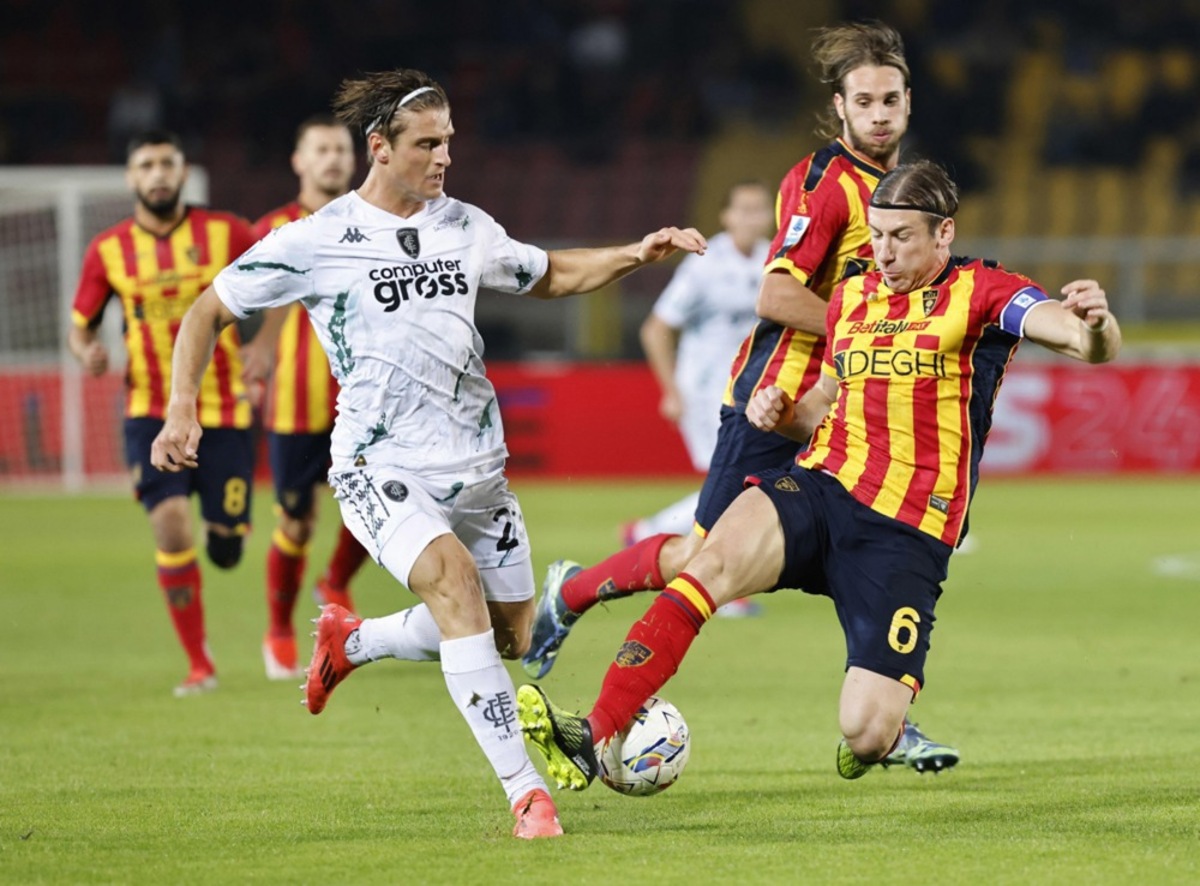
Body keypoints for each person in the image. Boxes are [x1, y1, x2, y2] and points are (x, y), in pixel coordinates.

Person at [149, 69, 706, 839]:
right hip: (381, 465)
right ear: (379, 148)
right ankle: (526, 796)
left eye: (449, 141)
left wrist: (637, 254)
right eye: (427, 143)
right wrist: (183, 408)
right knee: (454, 585)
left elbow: (549, 274)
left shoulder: (465, 225)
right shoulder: (317, 239)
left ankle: (357, 639)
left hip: (478, 469)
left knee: (512, 638)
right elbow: (208, 310)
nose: (445, 157)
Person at [515, 159, 1122, 790]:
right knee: (709, 562)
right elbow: (823, 404)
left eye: (902, 237)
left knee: (866, 727)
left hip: (905, 530)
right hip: (821, 484)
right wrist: (778, 415)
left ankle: (878, 737)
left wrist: (1097, 325)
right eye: (878, 234)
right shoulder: (853, 296)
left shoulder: (987, 290)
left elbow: (1082, 343)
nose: (883, 252)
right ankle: (595, 731)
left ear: (944, 234)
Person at [522, 20, 958, 771]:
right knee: (706, 556)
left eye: (891, 99)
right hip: (777, 404)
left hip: (839, 405)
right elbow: (776, 294)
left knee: (874, 545)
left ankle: (885, 715)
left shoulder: (897, 193)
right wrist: (870, 337)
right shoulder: (824, 186)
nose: (880, 113)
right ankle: (574, 592)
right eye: (865, 100)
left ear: (909, 104)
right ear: (840, 106)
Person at [68, 130, 257, 697]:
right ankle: (199, 663)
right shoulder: (107, 250)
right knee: (171, 525)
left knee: (224, 546)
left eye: (167, 164)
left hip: (225, 411)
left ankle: (225, 537)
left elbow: (283, 281)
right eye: (146, 165)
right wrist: (88, 352)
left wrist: (265, 342)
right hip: (149, 409)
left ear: (183, 173)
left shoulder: (227, 232)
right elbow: (80, 327)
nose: (158, 174)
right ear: (131, 178)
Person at [239, 115, 371, 681]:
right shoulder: (271, 228)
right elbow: (237, 303)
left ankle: (335, 580)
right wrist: (255, 361)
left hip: (365, 397)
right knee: (295, 523)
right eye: (320, 149)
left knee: (376, 507)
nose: (333, 159)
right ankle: (280, 628)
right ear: (298, 161)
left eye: (341, 149)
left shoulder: (374, 224)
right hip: (297, 399)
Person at [624, 181, 771, 562]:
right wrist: (671, 391)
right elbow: (655, 328)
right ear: (725, 215)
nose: (751, 217)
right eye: (743, 209)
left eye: (759, 208)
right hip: (704, 390)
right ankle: (719, 581)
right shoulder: (705, 261)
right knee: (730, 482)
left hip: (746, 390)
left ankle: (648, 531)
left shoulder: (772, 258)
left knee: (735, 480)